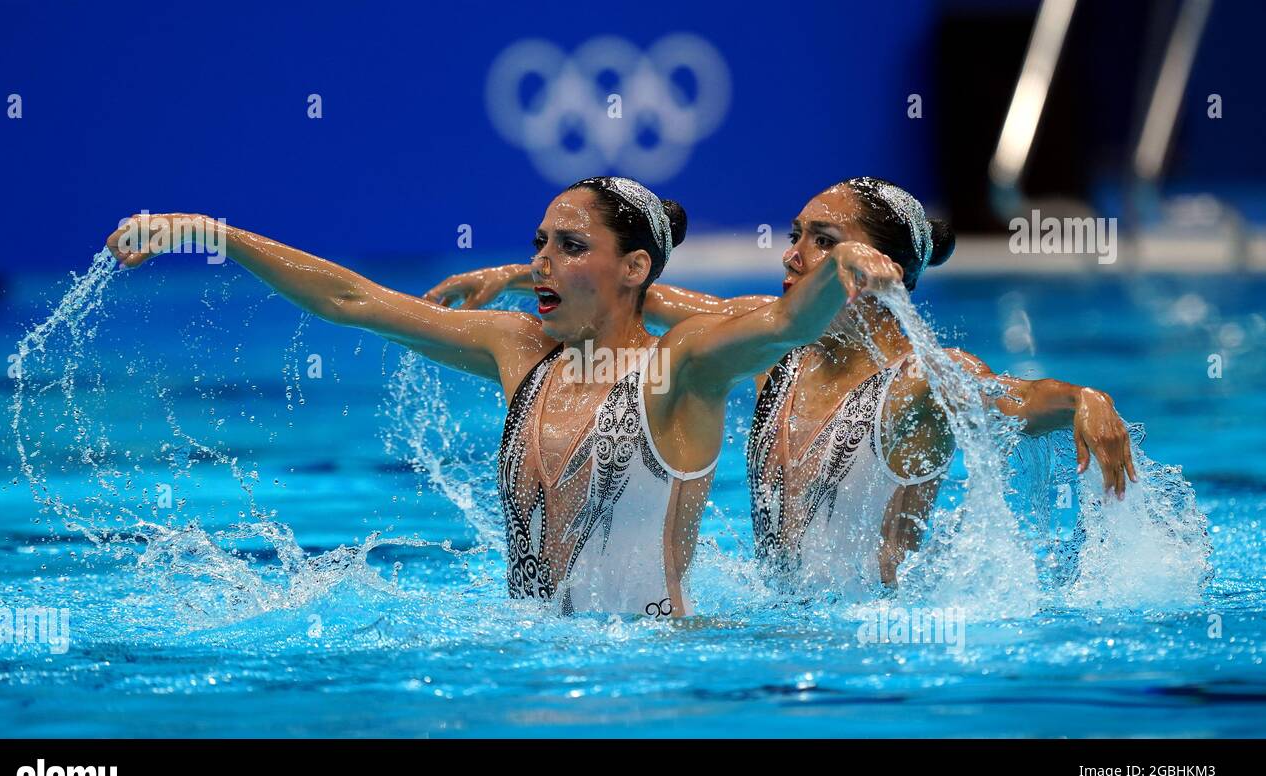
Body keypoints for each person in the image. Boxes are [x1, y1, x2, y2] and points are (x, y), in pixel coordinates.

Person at [106, 176, 890, 615]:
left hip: (655, 684)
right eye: (538, 245)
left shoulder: (681, 368)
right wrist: (210, 231)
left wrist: (847, 259)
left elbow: (788, 320)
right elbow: (354, 301)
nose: (542, 263)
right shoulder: (519, 349)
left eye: (571, 246)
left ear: (635, 269)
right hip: (527, 664)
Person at [424, 177, 1136, 599]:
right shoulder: (778, 356)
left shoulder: (918, 381)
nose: (794, 256)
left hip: (873, 650)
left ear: (874, 265)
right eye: (797, 235)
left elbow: (1012, 400)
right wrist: (518, 277)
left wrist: (1080, 399)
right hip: (782, 638)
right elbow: (654, 297)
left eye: (823, 240)